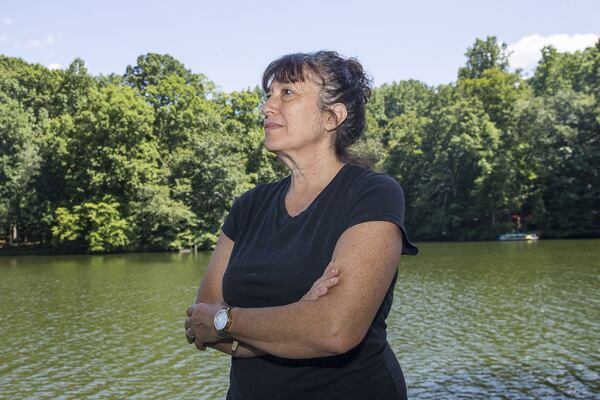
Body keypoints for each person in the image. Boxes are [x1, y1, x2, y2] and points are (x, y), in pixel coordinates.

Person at [185, 50, 418, 399]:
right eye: (269, 95)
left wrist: (229, 321)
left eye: (287, 93)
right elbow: (199, 324)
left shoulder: (373, 194)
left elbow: (334, 330)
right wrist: (300, 316)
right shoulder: (248, 206)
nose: (267, 107)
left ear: (331, 117)